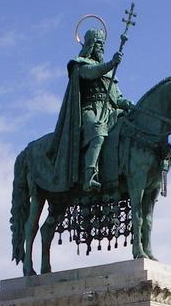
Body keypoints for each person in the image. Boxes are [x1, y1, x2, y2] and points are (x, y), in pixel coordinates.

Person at [47, 27, 132, 192]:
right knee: (98, 133)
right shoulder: (81, 65)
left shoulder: (108, 73)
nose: (102, 47)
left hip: (110, 111)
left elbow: (117, 97)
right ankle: (90, 176)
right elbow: (92, 73)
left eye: (103, 44)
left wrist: (126, 103)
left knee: (130, 128)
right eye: (99, 43)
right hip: (91, 109)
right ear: (90, 44)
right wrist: (111, 64)